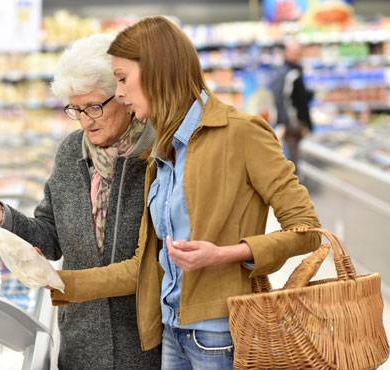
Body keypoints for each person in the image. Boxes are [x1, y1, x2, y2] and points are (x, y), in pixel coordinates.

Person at [49, 16, 321, 370]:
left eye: (122, 79)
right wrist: (57, 282)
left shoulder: (241, 133)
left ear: (157, 71)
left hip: (220, 335)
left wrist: (226, 254)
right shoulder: (165, 149)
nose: (118, 93)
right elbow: (145, 265)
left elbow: (307, 230)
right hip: (171, 332)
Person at [0, 33, 161, 370]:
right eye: (76, 109)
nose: (86, 120)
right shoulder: (71, 151)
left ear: (123, 95)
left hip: (144, 344)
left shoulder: (157, 155)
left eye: (95, 106)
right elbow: (51, 238)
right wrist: (4, 221)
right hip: (81, 341)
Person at [272, 41, 314, 176]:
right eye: (293, 52)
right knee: (293, 159)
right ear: (286, 53)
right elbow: (282, 99)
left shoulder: (295, 70)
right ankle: (295, 191)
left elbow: (298, 97)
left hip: (297, 124)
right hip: (293, 126)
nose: (297, 55)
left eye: (298, 52)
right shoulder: (286, 73)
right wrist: (294, 123)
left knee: (298, 158)